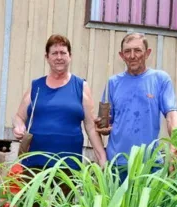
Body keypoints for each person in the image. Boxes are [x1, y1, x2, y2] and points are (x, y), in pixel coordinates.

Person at [12, 34, 107, 174]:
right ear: (47, 57)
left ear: (70, 56)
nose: (59, 57)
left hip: (68, 167)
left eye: (63, 53)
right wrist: (19, 127)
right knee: (31, 196)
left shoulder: (80, 86)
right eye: (54, 53)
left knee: (65, 197)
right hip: (33, 165)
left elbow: (91, 127)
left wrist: (102, 158)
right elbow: (19, 117)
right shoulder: (36, 86)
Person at [96, 33, 177, 177]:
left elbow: (172, 116)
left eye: (138, 50)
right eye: (127, 51)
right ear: (122, 56)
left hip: (149, 165)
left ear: (147, 53)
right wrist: (103, 127)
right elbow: (106, 123)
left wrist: (176, 146)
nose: (132, 56)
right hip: (117, 163)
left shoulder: (160, 79)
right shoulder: (113, 83)